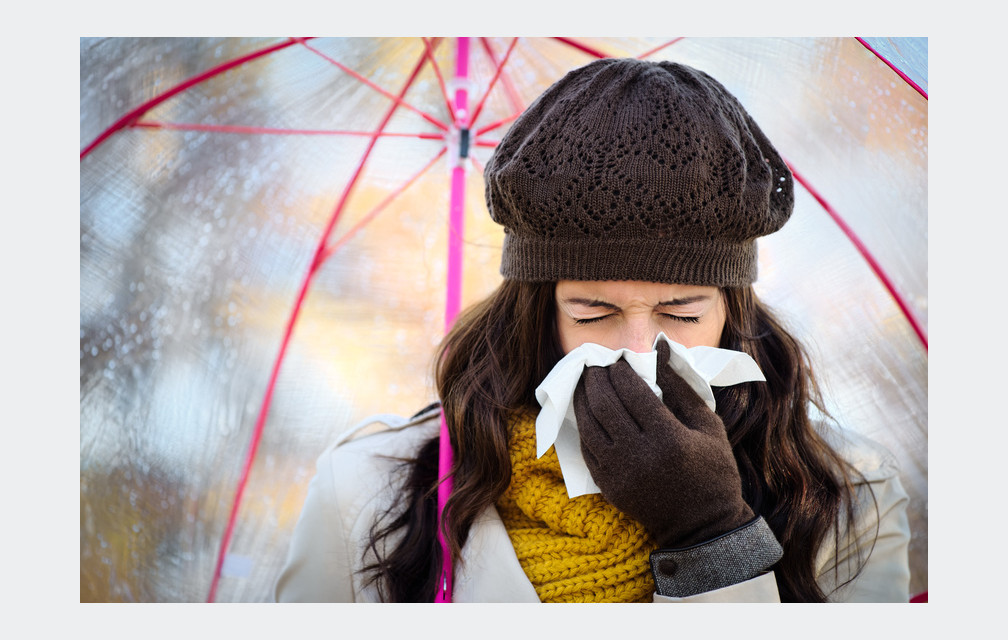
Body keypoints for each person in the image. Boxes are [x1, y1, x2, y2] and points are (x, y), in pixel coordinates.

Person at [273, 57, 911, 603]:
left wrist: (714, 537)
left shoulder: (848, 497)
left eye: (682, 313)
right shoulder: (366, 491)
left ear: (732, 313)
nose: (638, 350)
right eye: (593, 313)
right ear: (536, 312)